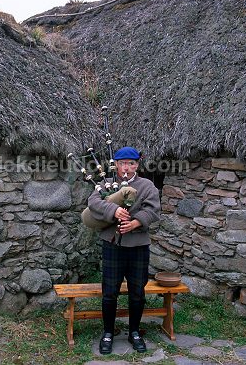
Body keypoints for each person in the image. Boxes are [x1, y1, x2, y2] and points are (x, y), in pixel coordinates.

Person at [86, 146, 161, 354]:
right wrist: (114, 209)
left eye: (131, 163)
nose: (126, 168)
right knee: (110, 293)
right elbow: (93, 202)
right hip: (113, 245)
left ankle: (134, 332)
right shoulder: (106, 184)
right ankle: (108, 333)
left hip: (138, 246)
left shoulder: (147, 186)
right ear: (116, 165)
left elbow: (153, 210)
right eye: (122, 164)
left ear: (137, 164)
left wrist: (135, 223)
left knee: (137, 293)